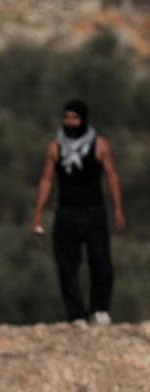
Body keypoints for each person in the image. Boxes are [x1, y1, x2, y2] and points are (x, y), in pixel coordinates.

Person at [31, 99, 125, 325]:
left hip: (94, 211)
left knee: (101, 261)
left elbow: (112, 176)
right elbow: (46, 180)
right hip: (67, 212)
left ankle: (100, 309)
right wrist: (38, 212)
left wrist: (118, 208)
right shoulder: (55, 148)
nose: (70, 122)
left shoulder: (100, 145)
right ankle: (76, 314)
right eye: (66, 118)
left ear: (83, 119)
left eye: (74, 118)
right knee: (66, 264)